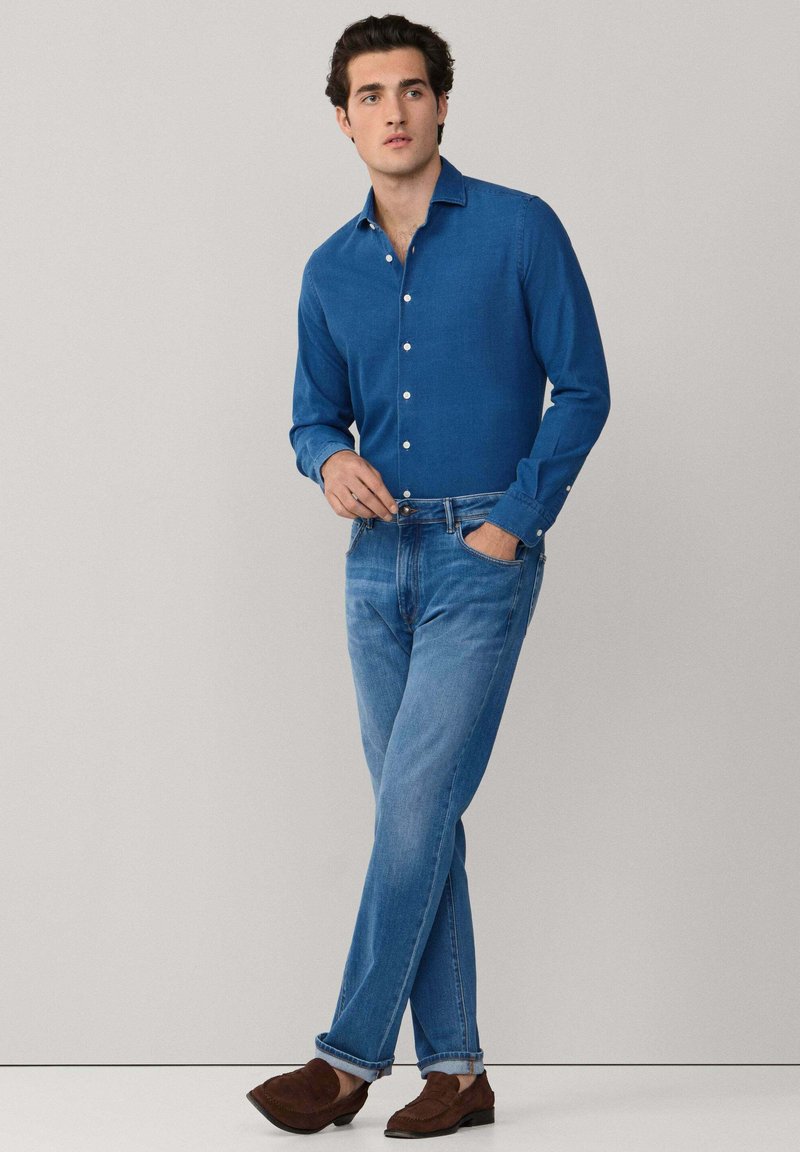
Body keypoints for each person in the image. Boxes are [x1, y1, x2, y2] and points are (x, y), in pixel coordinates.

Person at [247, 12, 610, 1138]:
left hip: (478, 558)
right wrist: (328, 460)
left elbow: (584, 387)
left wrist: (512, 523)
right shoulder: (328, 269)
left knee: (411, 804)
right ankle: (456, 1073)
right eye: (370, 95)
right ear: (342, 118)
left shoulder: (517, 228)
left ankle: (345, 1061)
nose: (393, 111)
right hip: (374, 565)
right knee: (420, 816)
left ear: (441, 104)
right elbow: (310, 416)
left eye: (411, 90)